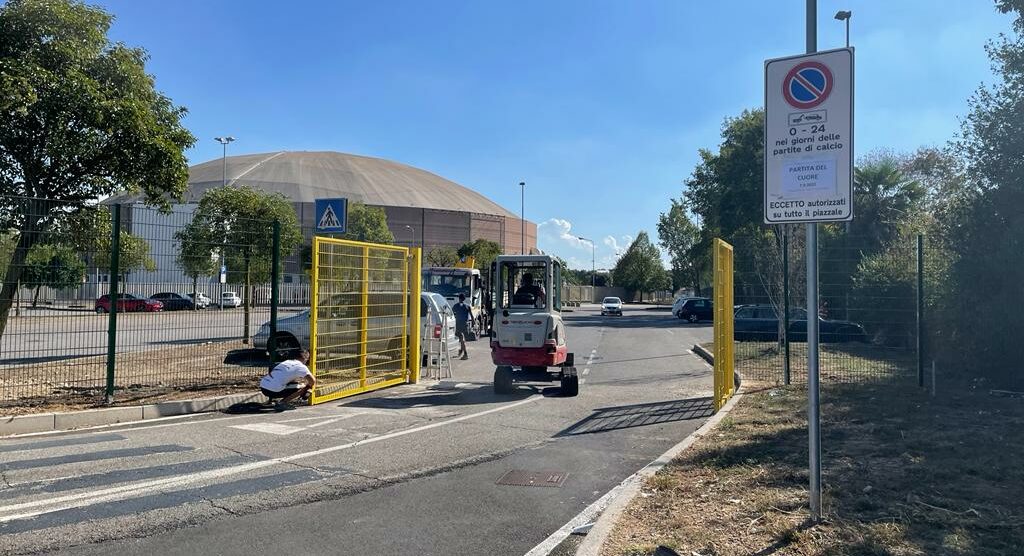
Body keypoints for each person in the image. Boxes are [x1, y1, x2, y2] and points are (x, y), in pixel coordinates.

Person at [452, 293, 472, 360]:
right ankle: (461, 351)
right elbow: (471, 316)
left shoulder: (456, 306)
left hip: (458, 324)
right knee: (461, 338)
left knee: (462, 338)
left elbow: (451, 314)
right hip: (465, 324)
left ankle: (465, 353)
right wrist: (474, 323)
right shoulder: (467, 306)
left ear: (459, 298)